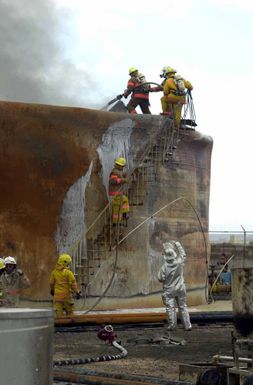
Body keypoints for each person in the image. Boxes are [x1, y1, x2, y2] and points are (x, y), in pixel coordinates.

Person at [158, 240, 192, 331]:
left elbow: (160, 278)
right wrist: (177, 244)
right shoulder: (179, 263)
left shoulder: (164, 267)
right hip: (181, 288)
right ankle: (187, 325)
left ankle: (172, 326)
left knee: (170, 308)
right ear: (174, 254)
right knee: (183, 306)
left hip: (169, 290)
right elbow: (183, 254)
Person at [49, 253, 81, 318]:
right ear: (65, 262)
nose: (69, 264)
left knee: (59, 316)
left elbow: (51, 283)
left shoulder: (54, 272)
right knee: (70, 315)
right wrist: (77, 292)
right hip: (67, 297)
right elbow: (73, 284)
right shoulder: (68, 273)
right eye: (68, 263)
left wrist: (52, 290)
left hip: (57, 298)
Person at [108, 157, 130, 225]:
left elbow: (120, 175)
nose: (123, 167)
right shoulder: (114, 172)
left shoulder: (118, 171)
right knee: (117, 207)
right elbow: (113, 181)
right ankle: (116, 222)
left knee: (125, 200)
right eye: (122, 166)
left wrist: (125, 175)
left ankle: (124, 214)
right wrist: (123, 180)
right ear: (119, 165)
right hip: (115, 193)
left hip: (118, 192)